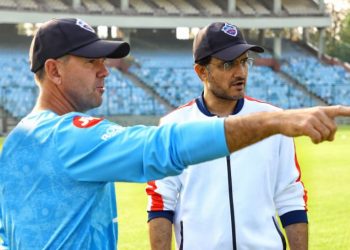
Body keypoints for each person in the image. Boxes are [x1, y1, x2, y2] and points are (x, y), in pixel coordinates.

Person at [0, 18, 349, 250]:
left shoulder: (16, 141)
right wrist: (274, 123)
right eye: (92, 61)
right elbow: (159, 149)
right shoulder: (70, 137)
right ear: (54, 70)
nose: (105, 71)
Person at [145, 22, 333, 250]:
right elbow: (160, 203)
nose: (241, 73)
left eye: (244, 62)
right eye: (228, 64)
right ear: (201, 71)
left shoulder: (275, 120)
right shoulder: (173, 126)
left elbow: (290, 196)